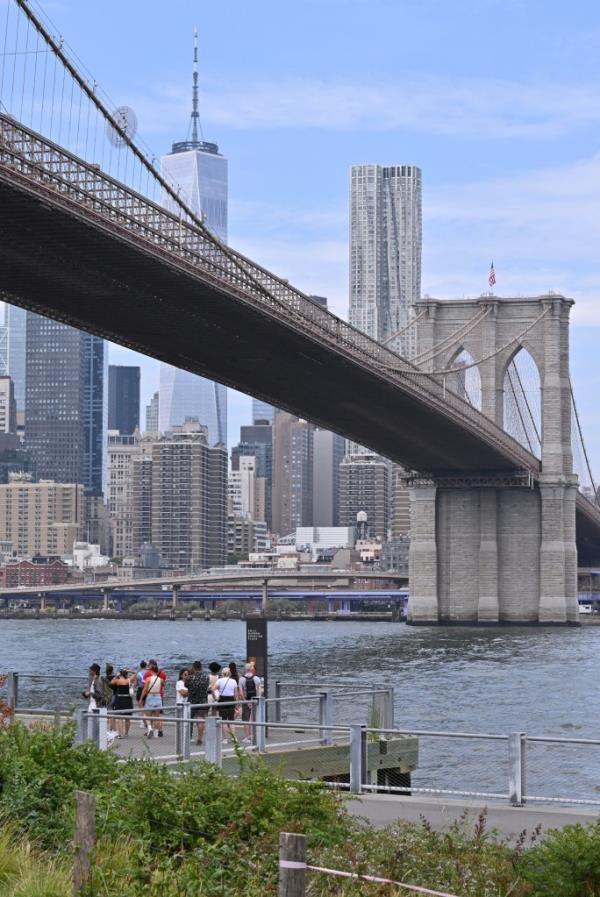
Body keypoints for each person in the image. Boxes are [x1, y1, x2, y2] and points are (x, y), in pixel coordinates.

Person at [186, 661, 210, 745]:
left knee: (189, 720)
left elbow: (186, 686)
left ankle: (189, 737)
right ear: (201, 667)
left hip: (192, 701)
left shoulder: (189, 678)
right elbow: (207, 687)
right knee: (201, 720)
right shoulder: (206, 677)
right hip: (203, 700)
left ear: (193, 667)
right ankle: (199, 738)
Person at [213, 666, 238, 743]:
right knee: (231, 720)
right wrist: (236, 703)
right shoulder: (233, 681)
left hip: (222, 700)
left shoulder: (219, 680)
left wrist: (216, 697)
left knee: (223, 720)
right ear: (229, 673)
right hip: (231, 699)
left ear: (222, 673)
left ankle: (225, 739)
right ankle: (234, 738)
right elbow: (236, 694)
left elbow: (213, 689)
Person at [238, 662, 262, 744]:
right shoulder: (256, 678)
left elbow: (241, 693)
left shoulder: (241, 679)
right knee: (253, 719)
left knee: (246, 720)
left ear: (245, 669)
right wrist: (256, 700)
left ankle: (247, 737)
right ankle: (252, 735)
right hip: (255, 701)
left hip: (246, 701)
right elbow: (260, 691)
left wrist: (245, 701)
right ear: (251, 669)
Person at [143, 659, 166, 736]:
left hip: (150, 695)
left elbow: (144, 687)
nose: (148, 666)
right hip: (159, 695)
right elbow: (163, 684)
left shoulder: (147, 674)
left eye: (149, 665)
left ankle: (150, 729)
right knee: (158, 715)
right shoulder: (162, 674)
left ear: (152, 665)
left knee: (148, 714)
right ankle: (159, 731)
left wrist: (141, 698)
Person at [111, 668, 135, 737]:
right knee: (127, 718)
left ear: (120, 674)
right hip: (128, 699)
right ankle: (126, 733)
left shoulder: (118, 680)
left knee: (120, 718)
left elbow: (111, 683)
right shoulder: (129, 680)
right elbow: (135, 673)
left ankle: (120, 734)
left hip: (120, 699)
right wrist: (129, 670)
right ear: (126, 674)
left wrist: (116, 675)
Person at [136, 661, 147, 729]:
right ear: (146, 666)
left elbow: (136, 684)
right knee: (146, 707)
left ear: (140, 666)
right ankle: (147, 722)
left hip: (140, 690)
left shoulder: (138, 674)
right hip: (147, 690)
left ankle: (142, 723)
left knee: (141, 708)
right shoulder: (148, 673)